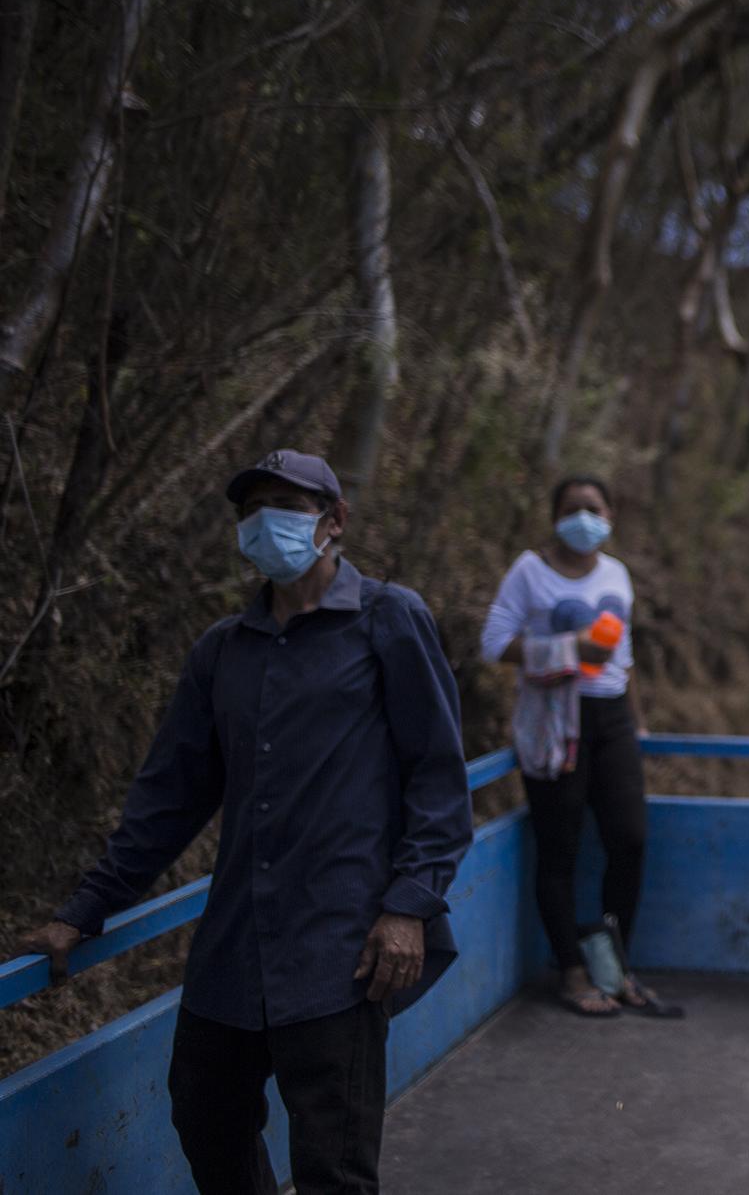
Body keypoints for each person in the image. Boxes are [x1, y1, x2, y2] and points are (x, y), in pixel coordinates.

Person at [15, 449, 472, 1195]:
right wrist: (83, 910)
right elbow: (168, 799)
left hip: (342, 952)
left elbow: (438, 779)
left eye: (286, 505)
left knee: (333, 1166)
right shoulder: (222, 650)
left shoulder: (389, 619)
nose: (267, 522)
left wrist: (408, 906)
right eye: (252, 507)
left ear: (334, 520)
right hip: (234, 951)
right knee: (205, 1118)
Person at [479, 475, 674, 1018]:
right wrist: (569, 647)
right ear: (554, 516)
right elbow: (493, 643)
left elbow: (625, 654)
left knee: (629, 840)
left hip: (612, 721)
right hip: (555, 724)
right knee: (559, 850)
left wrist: (637, 725)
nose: (583, 518)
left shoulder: (617, 572)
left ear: (610, 516)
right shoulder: (529, 571)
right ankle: (571, 971)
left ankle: (616, 969)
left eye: (594, 508)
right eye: (572, 508)